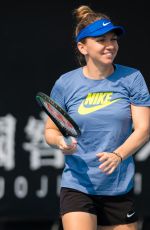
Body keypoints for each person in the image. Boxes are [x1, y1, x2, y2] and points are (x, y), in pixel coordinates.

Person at [44, 5, 150, 230]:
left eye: (113, 39)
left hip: (118, 189)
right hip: (77, 187)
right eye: (101, 40)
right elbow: (50, 131)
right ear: (83, 47)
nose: (110, 45)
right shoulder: (65, 83)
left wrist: (118, 155)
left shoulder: (132, 78)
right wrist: (60, 141)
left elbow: (144, 129)